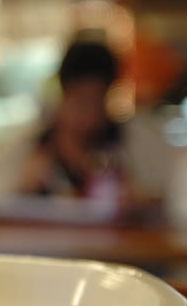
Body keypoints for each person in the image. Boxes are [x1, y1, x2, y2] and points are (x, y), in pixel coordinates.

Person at [18, 40, 125, 199]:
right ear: (63, 97)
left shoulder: (121, 145)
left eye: (97, 103)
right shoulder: (36, 149)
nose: (90, 117)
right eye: (82, 102)